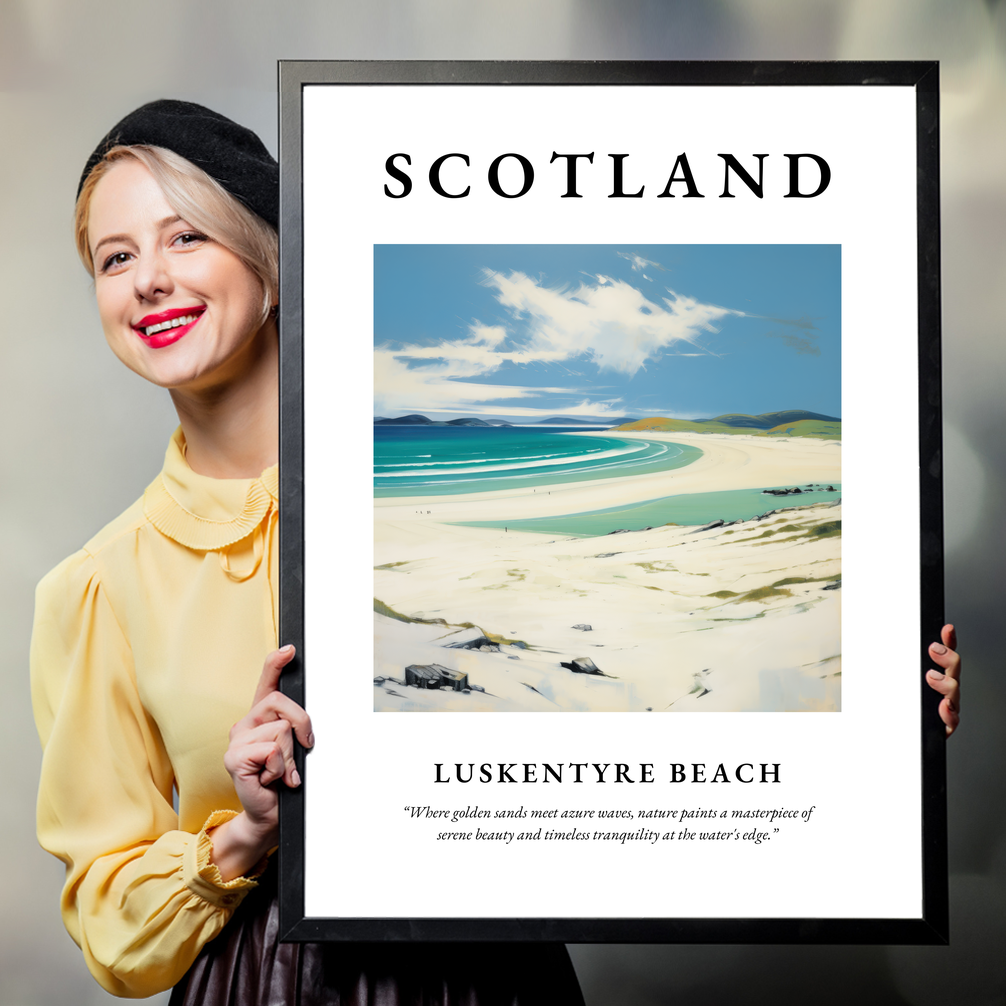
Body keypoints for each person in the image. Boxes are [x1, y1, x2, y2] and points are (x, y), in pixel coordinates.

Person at [30, 100, 586, 1004]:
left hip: (493, 972)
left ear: (273, 263)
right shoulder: (97, 587)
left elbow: (613, 696)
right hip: (262, 982)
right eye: (116, 257)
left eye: (185, 238)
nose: (148, 281)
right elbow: (110, 922)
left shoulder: (448, 500)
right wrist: (245, 832)